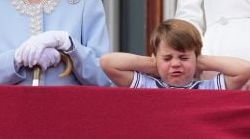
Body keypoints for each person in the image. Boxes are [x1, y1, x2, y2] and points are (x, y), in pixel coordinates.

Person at [100, 19, 250, 89]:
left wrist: (201, 62)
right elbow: (107, 62)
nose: (176, 64)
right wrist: (153, 65)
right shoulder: (147, 86)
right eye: (167, 58)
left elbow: (245, 70)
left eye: (184, 58)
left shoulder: (208, 88)